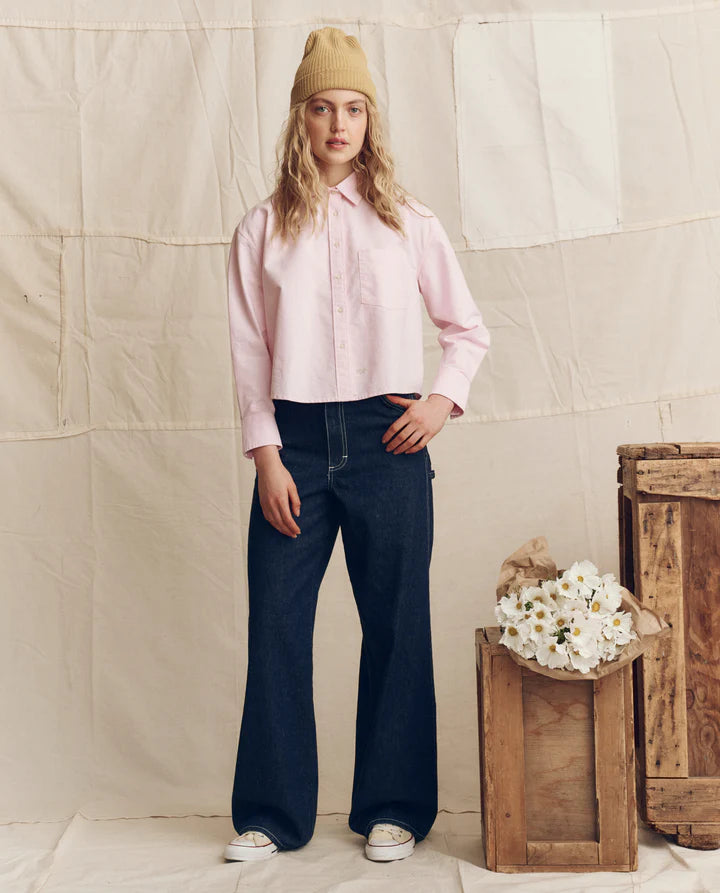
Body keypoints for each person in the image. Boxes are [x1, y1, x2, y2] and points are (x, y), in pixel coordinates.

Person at [223, 26, 491, 864]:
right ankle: (271, 813)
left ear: (370, 120)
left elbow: (467, 329)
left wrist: (442, 400)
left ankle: (393, 805)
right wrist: (266, 454)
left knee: (396, 621)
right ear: (300, 120)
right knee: (277, 622)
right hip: (295, 443)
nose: (339, 124)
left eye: (353, 108)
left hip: (389, 441)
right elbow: (248, 352)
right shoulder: (261, 229)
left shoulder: (407, 222)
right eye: (322, 108)